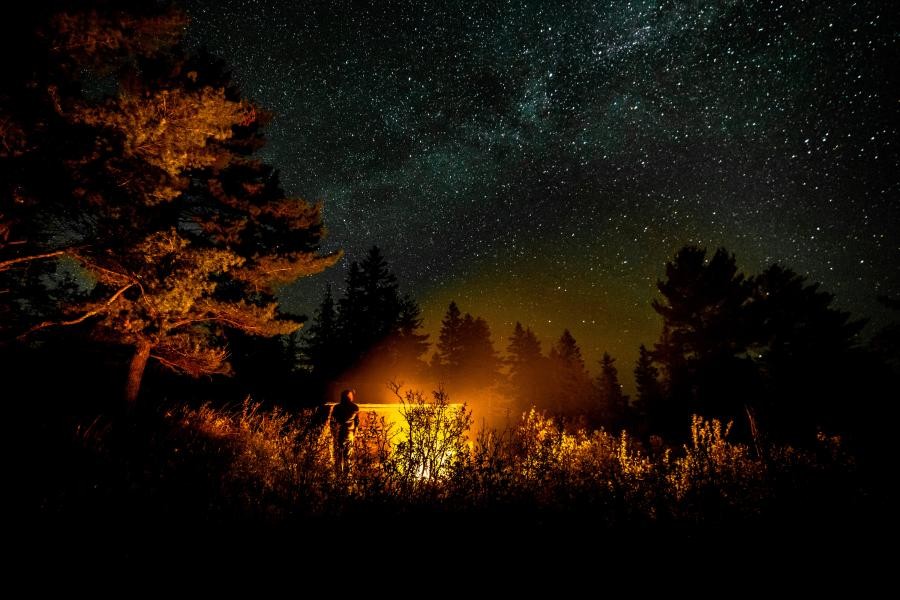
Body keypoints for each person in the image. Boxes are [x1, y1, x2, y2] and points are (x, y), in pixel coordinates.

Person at [331, 388, 360, 475]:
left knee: (339, 455)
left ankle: (338, 474)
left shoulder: (337, 407)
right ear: (349, 397)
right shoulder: (354, 407)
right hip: (349, 434)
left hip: (339, 433)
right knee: (348, 456)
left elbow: (332, 422)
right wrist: (355, 433)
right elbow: (357, 423)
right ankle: (347, 475)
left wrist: (333, 433)